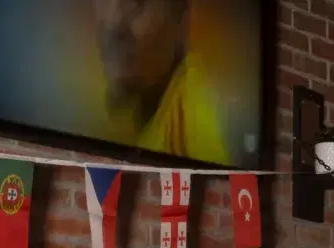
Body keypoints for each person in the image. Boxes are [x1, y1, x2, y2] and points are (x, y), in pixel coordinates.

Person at [91, 0, 230, 164]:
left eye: (136, 3)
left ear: (180, 15)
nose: (112, 22)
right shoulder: (125, 111)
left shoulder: (192, 138)